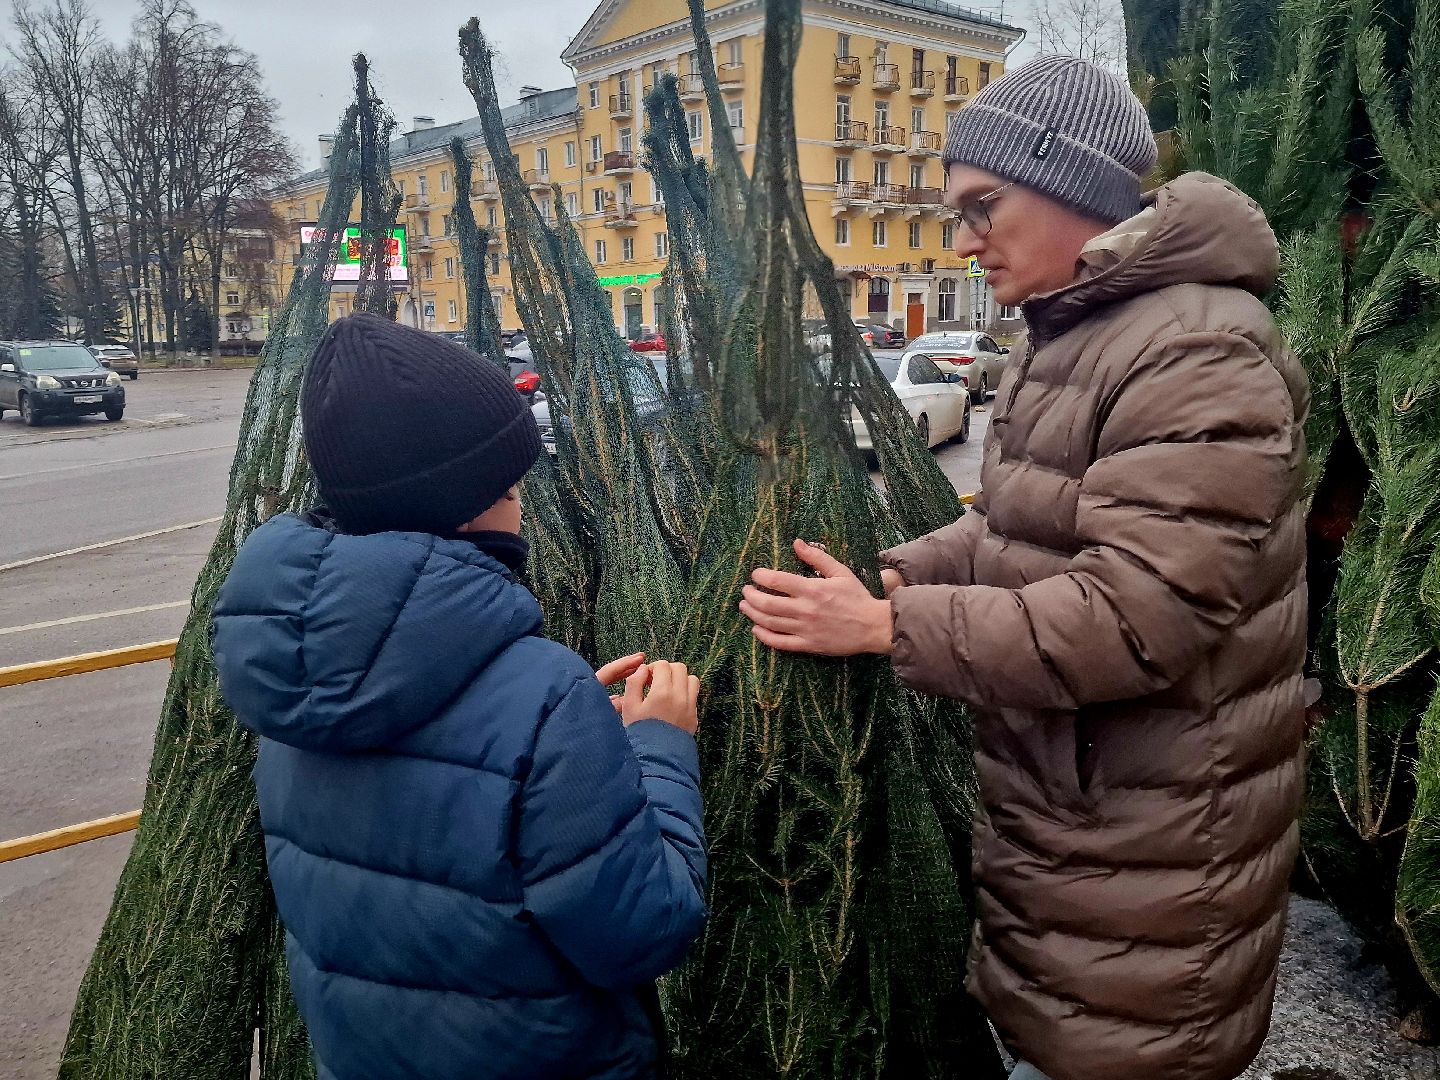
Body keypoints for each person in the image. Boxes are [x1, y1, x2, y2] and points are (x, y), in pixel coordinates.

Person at [740, 56, 1308, 1080]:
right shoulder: (1080, 333)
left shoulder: (1193, 351)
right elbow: (1017, 525)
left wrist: (886, 632)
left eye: (981, 206)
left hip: (1153, 867)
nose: (963, 240)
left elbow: (1135, 615)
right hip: (1081, 838)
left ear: (1072, 183)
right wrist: (897, 575)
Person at [212, 313, 706, 1080]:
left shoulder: (289, 681)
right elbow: (642, 932)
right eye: (512, 484)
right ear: (473, 506)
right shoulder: (543, 693)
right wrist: (658, 745)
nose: (521, 504)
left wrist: (568, 742)